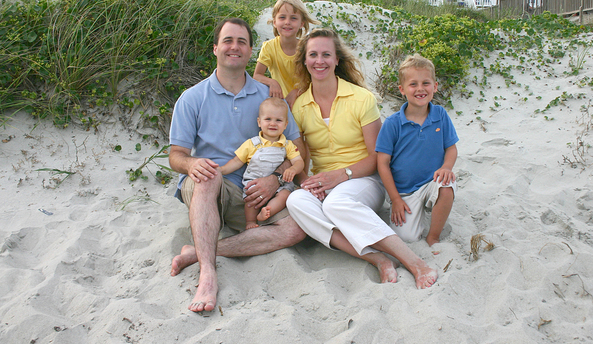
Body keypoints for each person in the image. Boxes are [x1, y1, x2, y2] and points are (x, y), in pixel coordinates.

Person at [168, 18, 306, 313]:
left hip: (258, 192)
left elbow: (296, 147)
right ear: (216, 48)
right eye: (228, 40)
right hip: (212, 190)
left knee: (297, 228)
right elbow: (176, 155)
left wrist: (277, 178)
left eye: (242, 41)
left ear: (250, 51)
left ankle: (196, 252)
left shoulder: (269, 97)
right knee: (206, 175)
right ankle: (207, 273)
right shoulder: (192, 98)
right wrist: (191, 164)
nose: (235, 47)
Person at [286, 28, 438, 289]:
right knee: (296, 200)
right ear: (304, 60)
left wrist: (341, 175)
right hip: (325, 185)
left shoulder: (361, 98)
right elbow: (300, 158)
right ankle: (377, 258)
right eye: (313, 55)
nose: (319, 61)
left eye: (326, 54)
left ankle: (414, 262)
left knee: (336, 204)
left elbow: (378, 157)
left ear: (336, 60)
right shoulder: (299, 106)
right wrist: (307, 184)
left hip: (365, 179)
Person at [376, 54, 458, 246]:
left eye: (426, 83)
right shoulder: (392, 123)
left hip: (431, 182)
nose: (420, 89)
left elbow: (451, 148)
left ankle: (433, 236)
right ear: (402, 89)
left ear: (435, 86)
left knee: (446, 187)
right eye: (413, 84)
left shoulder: (440, 115)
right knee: (407, 237)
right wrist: (395, 199)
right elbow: (382, 163)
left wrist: (446, 167)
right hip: (404, 191)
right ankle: (414, 211)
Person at [219, 97, 304, 229]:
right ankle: (250, 222)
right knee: (251, 199)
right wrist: (222, 170)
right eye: (268, 119)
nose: (273, 124)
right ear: (259, 122)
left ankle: (268, 211)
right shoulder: (252, 144)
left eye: (278, 120)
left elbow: (298, 161)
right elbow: (237, 161)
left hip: (280, 184)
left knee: (285, 195)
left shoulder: (288, 145)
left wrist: (293, 169)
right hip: (255, 181)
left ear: (286, 124)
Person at [253, 0, 318, 103]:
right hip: (282, 104)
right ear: (274, 22)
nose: (287, 22)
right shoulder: (269, 47)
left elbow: (315, 79)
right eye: (282, 17)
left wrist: (296, 92)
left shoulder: (307, 48)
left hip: (306, 102)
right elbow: (256, 76)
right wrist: (272, 82)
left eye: (293, 18)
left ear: (301, 23)